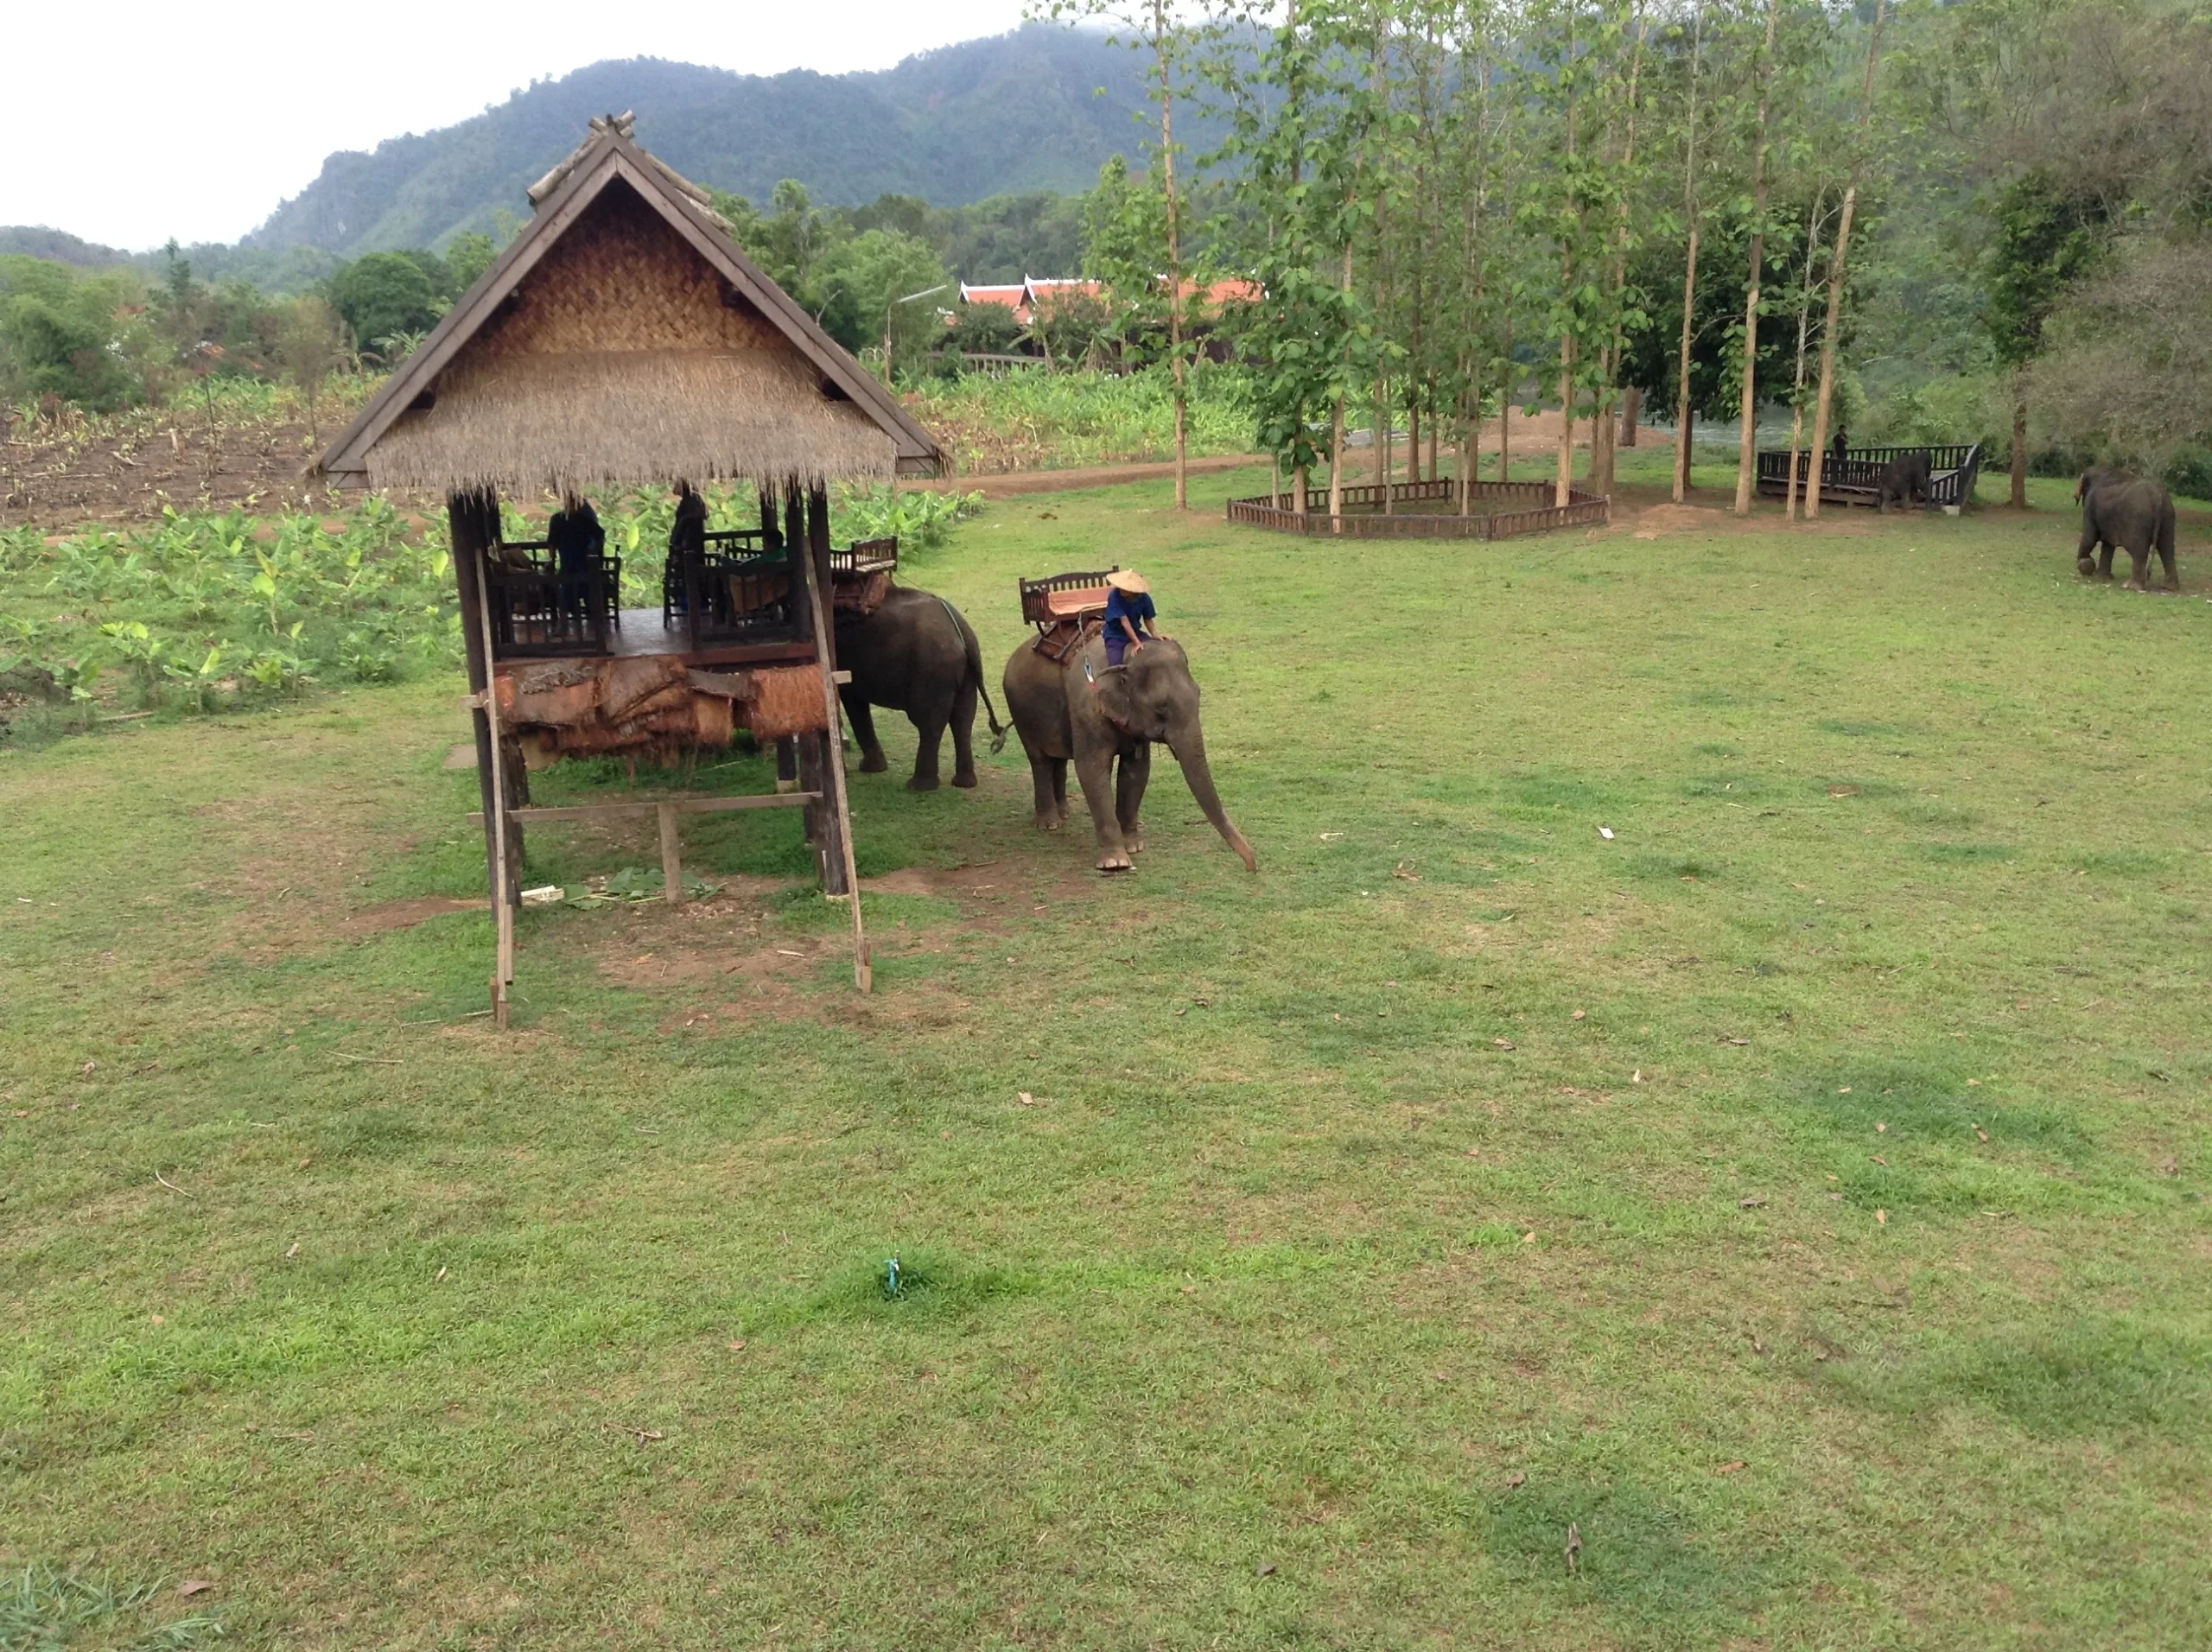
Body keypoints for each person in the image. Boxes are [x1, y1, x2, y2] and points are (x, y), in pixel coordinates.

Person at [546, 492, 606, 633]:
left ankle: (598, 628)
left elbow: (600, 536)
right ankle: (564, 625)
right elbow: (552, 543)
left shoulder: (584, 519)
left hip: (584, 562)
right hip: (567, 561)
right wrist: (552, 560)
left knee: (589, 592)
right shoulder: (557, 519)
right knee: (565, 592)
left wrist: (593, 552)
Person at [1101, 568, 1158, 669]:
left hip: (1135, 631)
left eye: (1125, 588)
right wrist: (1137, 643)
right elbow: (1125, 622)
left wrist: (1155, 634)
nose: (1121, 589)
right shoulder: (1115, 596)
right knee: (1115, 665)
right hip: (1116, 635)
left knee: (1154, 650)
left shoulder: (1144, 598)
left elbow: (1148, 619)